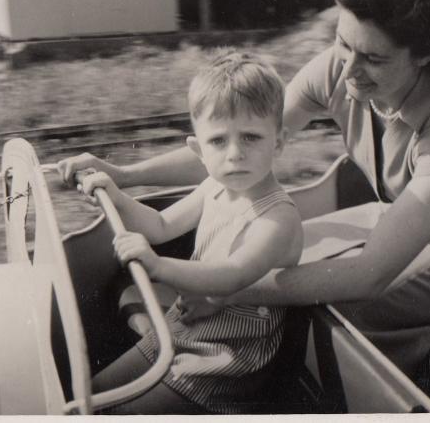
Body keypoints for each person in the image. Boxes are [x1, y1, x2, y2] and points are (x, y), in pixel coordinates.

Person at [60, 0, 430, 378]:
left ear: (425, 54)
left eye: (371, 57)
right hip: (391, 219)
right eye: (342, 44)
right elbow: (235, 143)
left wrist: (230, 290)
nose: (346, 70)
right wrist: (126, 174)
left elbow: (369, 276)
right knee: (267, 272)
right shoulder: (343, 67)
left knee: (327, 309)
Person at [75, 51, 303, 414]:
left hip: (227, 358)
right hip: (186, 325)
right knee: (92, 394)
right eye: (218, 141)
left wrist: (157, 265)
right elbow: (160, 226)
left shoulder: (277, 217)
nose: (234, 155)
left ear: (278, 143)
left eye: (250, 138)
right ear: (198, 149)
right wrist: (118, 197)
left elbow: (233, 275)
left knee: (115, 414)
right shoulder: (213, 187)